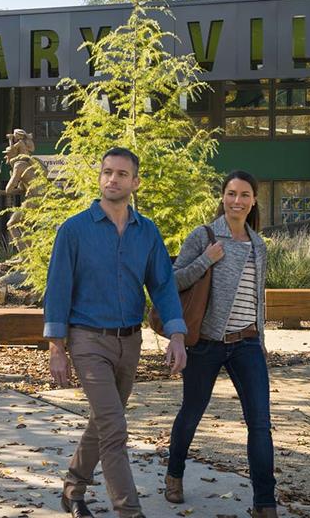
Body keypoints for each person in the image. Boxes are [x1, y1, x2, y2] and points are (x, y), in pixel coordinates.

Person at [44, 147, 188, 518]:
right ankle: (129, 511)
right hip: (87, 339)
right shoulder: (74, 230)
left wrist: (176, 334)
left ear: (135, 182)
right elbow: (58, 289)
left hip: (130, 341)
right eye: (107, 172)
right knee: (115, 428)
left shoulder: (148, 232)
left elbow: (163, 286)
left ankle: (73, 489)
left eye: (122, 174)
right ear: (100, 177)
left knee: (104, 421)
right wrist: (56, 347)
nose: (113, 178)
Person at [163, 170, 277, 518]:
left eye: (244, 195)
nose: (237, 201)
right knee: (192, 412)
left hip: (246, 344)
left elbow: (256, 299)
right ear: (223, 197)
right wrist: (206, 260)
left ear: (254, 200)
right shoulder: (204, 235)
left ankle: (264, 503)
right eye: (231, 194)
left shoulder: (258, 244)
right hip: (206, 344)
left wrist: (261, 340)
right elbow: (174, 280)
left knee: (259, 422)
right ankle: (175, 473)